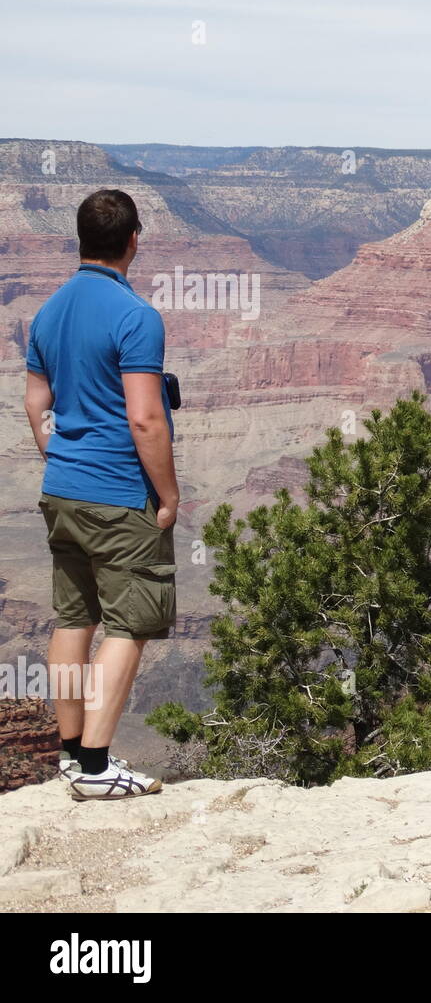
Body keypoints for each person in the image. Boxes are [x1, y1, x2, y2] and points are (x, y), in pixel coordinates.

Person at [23, 188, 178, 801]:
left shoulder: (49, 311)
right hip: (119, 494)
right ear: (133, 239)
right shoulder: (136, 315)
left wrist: (59, 459)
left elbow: (38, 405)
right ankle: (94, 768)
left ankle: (68, 756)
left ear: (81, 239)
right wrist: (167, 495)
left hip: (61, 489)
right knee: (129, 624)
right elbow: (145, 418)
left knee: (74, 617)